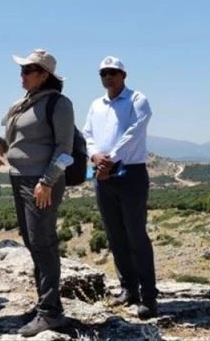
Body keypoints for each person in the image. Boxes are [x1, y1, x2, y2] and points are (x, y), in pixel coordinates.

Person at [0, 49, 72, 337]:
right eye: (22, 70)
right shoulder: (26, 103)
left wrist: (47, 181)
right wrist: (0, 142)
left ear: (44, 75)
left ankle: (50, 313)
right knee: (33, 242)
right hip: (20, 178)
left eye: (27, 70)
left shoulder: (59, 104)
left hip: (40, 181)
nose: (21, 75)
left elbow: (64, 149)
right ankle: (45, 305)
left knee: (42, 243)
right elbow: (19, 139)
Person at [82, 56, 158, 319]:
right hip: (102, 174)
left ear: (123, 75)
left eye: (113, 72)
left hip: (130, 173)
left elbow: (133, 134)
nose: (108, 77)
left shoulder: (137, 100)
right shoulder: (96, 105)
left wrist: (109, 160)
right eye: (103, 73)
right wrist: (95, 156)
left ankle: (149, 297)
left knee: (136, 234)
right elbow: (87, 134)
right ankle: (128, 289)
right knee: (115, 234)